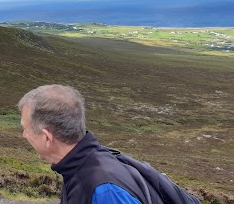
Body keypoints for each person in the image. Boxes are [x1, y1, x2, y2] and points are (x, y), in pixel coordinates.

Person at [18, 84, 159, 204]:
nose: (24, 135)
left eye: (26, 129)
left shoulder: (104, 192)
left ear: (47, 137)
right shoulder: (80, 167)